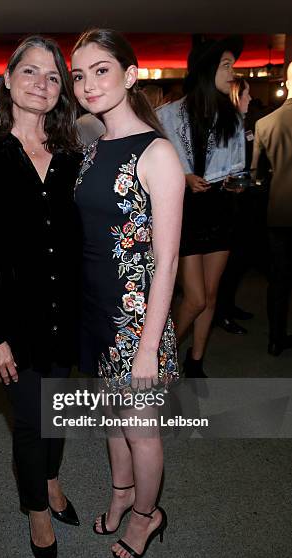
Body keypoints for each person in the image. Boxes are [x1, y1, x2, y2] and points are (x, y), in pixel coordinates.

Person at [0, 36, 81, 558]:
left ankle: (51, 481)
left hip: (65, 314)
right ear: (7, 79)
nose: (41, 85)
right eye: (30, 72)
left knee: (57, 411)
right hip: (12, 322)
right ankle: (37, 512)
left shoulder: (73, 156)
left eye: (53, 77)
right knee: (30, 419)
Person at [71, 29, 184, 558]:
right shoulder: (93, 148)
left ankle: (147, 516)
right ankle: (120, 495)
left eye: (100, 70)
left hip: (136, 321)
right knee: (110, 418)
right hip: (95, 311)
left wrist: (147, 346)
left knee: (140, 430)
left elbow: (167, 261)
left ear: (130, 75)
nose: (88, 84)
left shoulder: (157, 153)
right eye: (79, 74)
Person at [157, 36, 245, 377]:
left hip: (220, 210)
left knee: (210, 293)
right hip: (183, 213)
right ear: (208, 71)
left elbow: (236, 166)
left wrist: (235, 182)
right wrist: (184, 176)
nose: (232, 72)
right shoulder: (166, 115)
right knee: (194, 298)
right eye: (227, 65)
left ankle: (195, 361)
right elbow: (153, 162)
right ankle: (160, 359)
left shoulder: (232, 117)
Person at [252, 62, 292, 356]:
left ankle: (275, 339)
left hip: (279, 209)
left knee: (278, 278)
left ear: (286, 82)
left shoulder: (265, 123)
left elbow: (256, 173)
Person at [214, 77, 255, 335]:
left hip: (242, 201)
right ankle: (221, 312)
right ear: (235, 96)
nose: (250, 99)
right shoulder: (225, 127)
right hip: (225, 203)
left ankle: (229, 306)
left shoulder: (243, 124)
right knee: (227, 263)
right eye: (246, 94)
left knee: (240, 260)